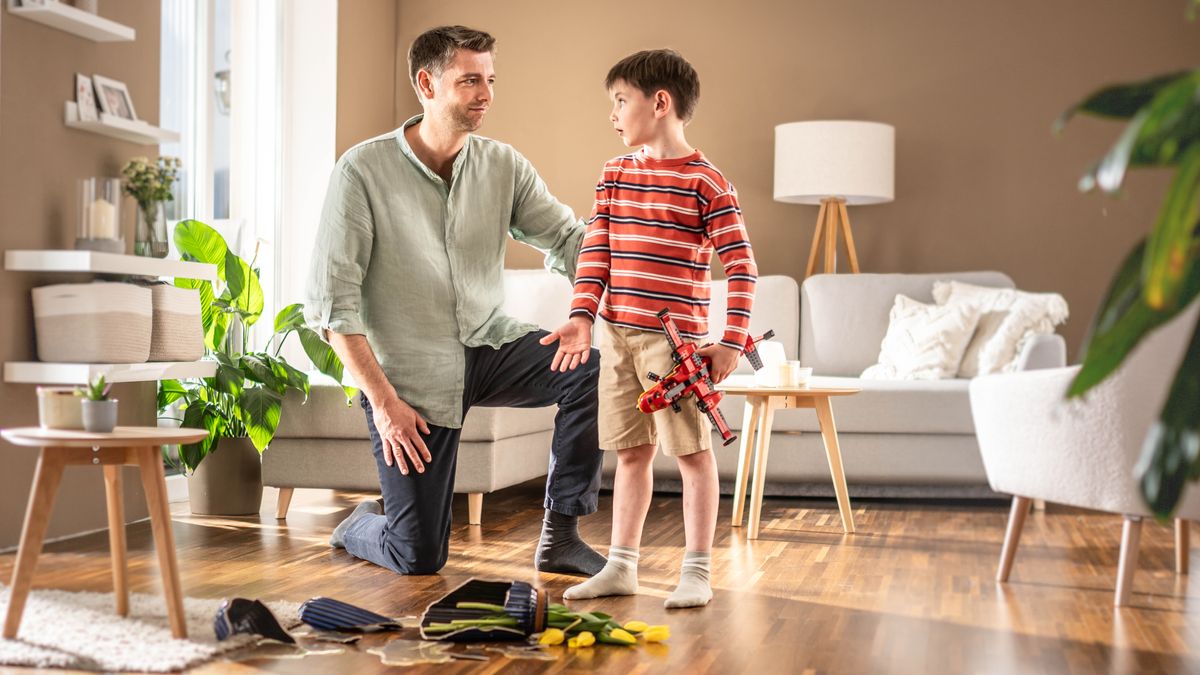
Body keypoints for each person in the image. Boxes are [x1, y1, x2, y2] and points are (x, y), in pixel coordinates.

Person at [305, 25, 605, 577]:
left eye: (490, 80)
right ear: (426, 83)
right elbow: (334, 309)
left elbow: (569, 239)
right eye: (470, 80)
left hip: (488, 345)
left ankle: (561, 536)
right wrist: (384, 404)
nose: (486, 94)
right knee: (417, 556)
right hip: (410, 381)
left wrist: (633, 250)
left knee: (582, 366)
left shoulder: (503, 165)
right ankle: (357, 525)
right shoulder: (362, 172)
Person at [542, 49, 758, 609]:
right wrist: (581, 315)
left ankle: (698, 570)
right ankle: (622, 566)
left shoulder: (707, 183)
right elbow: (597, 253)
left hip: (674, 346)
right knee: (629, 454)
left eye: (620, 101)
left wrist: (732, 340)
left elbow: (741, 265)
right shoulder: (614, 174)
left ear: (660, 102)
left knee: (691, 455)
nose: (612, 114)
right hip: (616, 338)